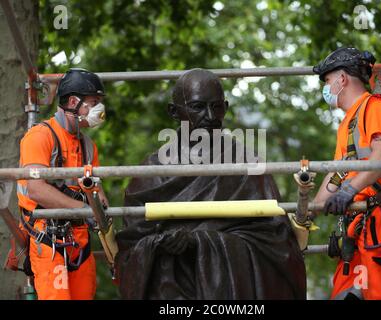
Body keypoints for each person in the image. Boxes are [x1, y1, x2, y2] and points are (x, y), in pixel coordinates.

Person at [115, 68, 306, 299]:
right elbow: (131, 246)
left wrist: (200, 241)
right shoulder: (151, 171)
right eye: (197, 107)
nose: (210, 116)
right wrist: (161, 243)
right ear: (174, 112)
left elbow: (277, 243)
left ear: (225, 108)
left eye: (216, 107)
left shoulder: (247, 165)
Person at [312, 47, 381, 300]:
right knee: (344, 294)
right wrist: (309, 208)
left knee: (379, 295)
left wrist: (349, 190)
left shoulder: (377, 108)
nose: (326, 88)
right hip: (357, 224)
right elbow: (337, 174)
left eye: (327, 81)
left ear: (342, 79)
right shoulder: (348, 123)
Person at [17, 68, 109, 300]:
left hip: (80, 239)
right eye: (94, 102)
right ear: (73, 101)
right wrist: (83, 209)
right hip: (47, 235)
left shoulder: (88, 147)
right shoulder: (40, 136)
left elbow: (99, 195)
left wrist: (99, 208)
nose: (99, 109)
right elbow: (35, 189)